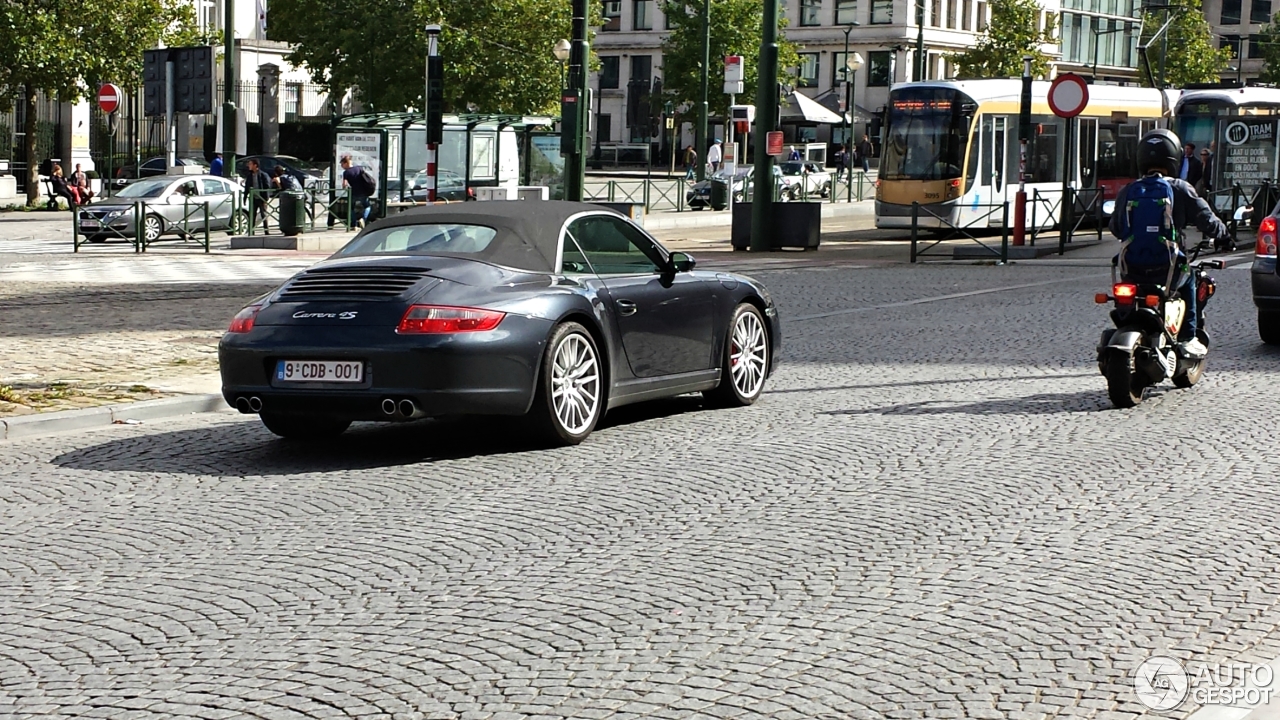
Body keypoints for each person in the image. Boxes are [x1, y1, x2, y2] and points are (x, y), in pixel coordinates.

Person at [1109, 129, 1229, 359]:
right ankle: (1188, 337)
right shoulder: (1180, 188)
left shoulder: (1129, 190)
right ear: (1174, 156)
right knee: (1190, 279)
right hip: (1168, 268)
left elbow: (1115, 228)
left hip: (1131, 267)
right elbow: (1207, 219)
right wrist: (1224, 235)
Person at [340, 155, 376, 227]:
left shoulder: (346, 172)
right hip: (363, 192)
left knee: (351, 208)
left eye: (342, 164)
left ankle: (354, 224)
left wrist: (344, 187)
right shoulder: (359, 168)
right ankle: (363, 219)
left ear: (346, 163)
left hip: (354, 193)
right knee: (367, 206)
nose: (341, 166)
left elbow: (344, 184)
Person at [244, 158, 272, 234]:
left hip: (261, 198)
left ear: (255, 165)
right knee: (252, 215)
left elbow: (267, 186)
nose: (249, 166)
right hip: (253, 198)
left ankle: (266, 231)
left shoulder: (263, 175)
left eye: (250, 164)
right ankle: (251, 231)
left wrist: (265, 198)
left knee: (263, 214)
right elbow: (247, 187)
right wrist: (245, 198)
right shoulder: (250, 175)